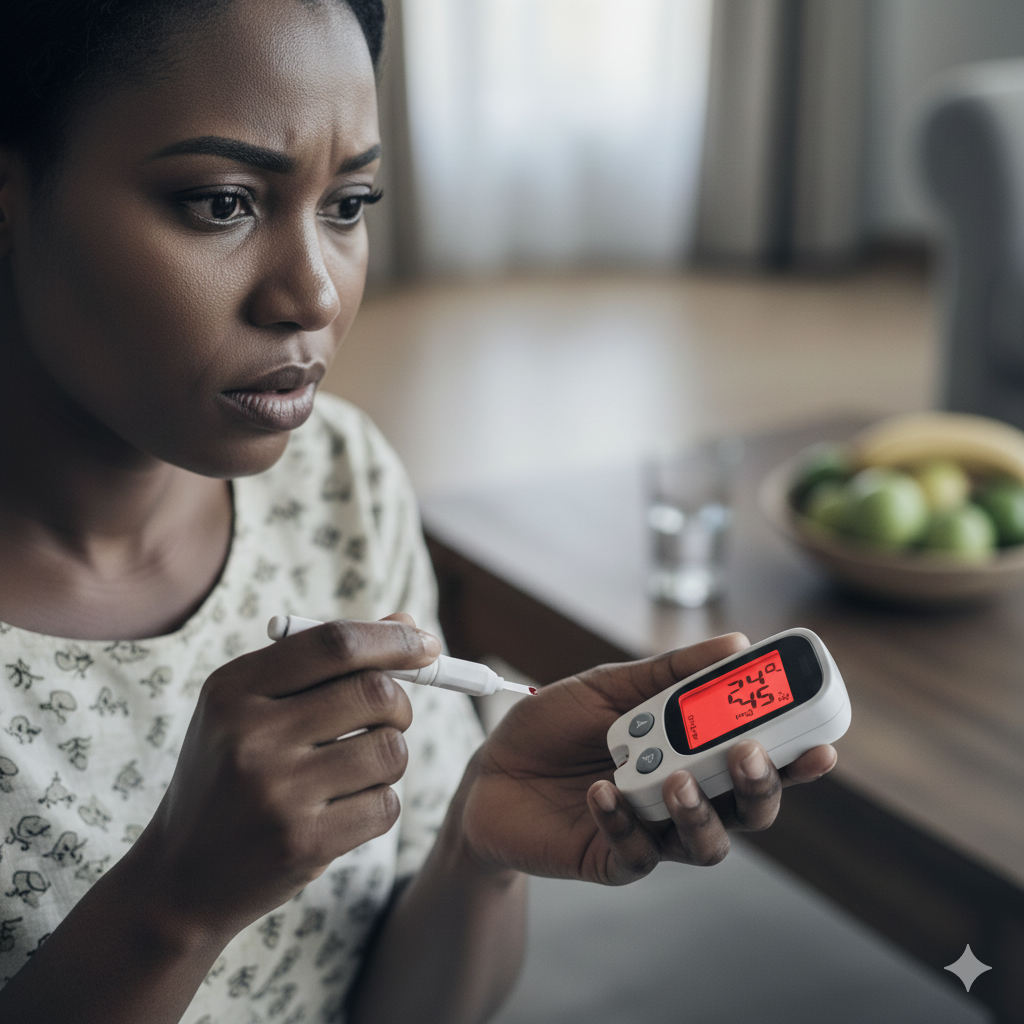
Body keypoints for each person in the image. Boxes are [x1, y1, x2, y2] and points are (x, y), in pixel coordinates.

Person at [0, 1, 838, 1021]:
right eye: (221, 202)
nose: (312, 293)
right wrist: (174, 902)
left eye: (347, 204)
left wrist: (476, 849)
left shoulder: (337, 478)